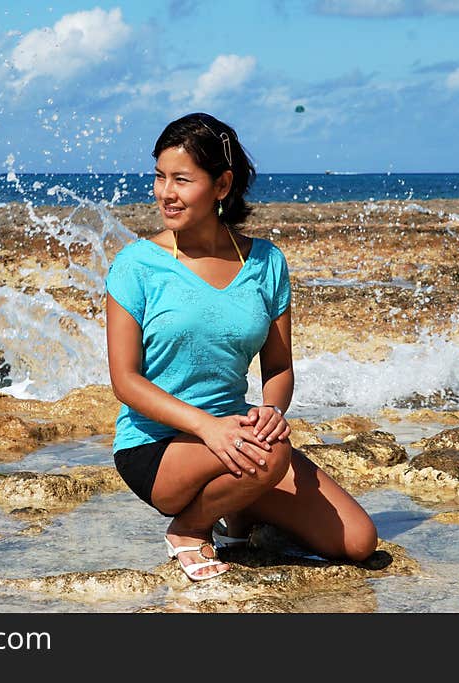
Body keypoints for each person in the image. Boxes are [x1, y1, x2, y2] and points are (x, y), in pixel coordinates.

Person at [104, 112, 378, 581]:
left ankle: (241, 512)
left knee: (357, 542)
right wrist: (208, 429)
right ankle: (189, 528)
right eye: (159, 177)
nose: (165, 193)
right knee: (269, 456)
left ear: (222, 185)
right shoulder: (136, 265)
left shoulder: (267, 262)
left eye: (182, 180)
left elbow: (278, 366)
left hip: (236, 439)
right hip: (158, 447)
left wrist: (273, 410)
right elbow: (125, 381)